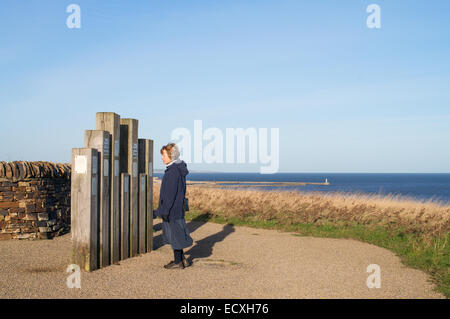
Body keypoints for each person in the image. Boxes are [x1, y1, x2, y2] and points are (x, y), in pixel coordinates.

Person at [153, 143, 193, 269]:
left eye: (164, 155)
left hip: (171, 211)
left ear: (171, 155)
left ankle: (178, 262)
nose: (162, 158)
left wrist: (164, 211)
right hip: (177, 209)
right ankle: (181, 259)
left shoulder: (172, 172)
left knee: (174, 236)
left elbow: (169, 194)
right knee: (177, 235)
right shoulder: (177, 169)